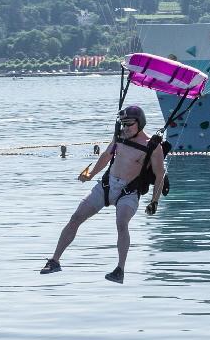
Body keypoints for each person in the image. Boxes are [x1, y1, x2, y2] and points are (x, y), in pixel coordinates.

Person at [40, 105, 166, 284]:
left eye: (129, 124)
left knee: (122, 223)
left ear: (140, 123)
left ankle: (119, 270)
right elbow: (107, 156)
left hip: (129, 192)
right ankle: (54, 261)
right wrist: (90, 174)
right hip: (106, 186)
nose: (125, 128)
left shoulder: (153, 146)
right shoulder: (120, 136)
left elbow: (160, 174)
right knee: (76, 217)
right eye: (123, 124)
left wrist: (155, 201)